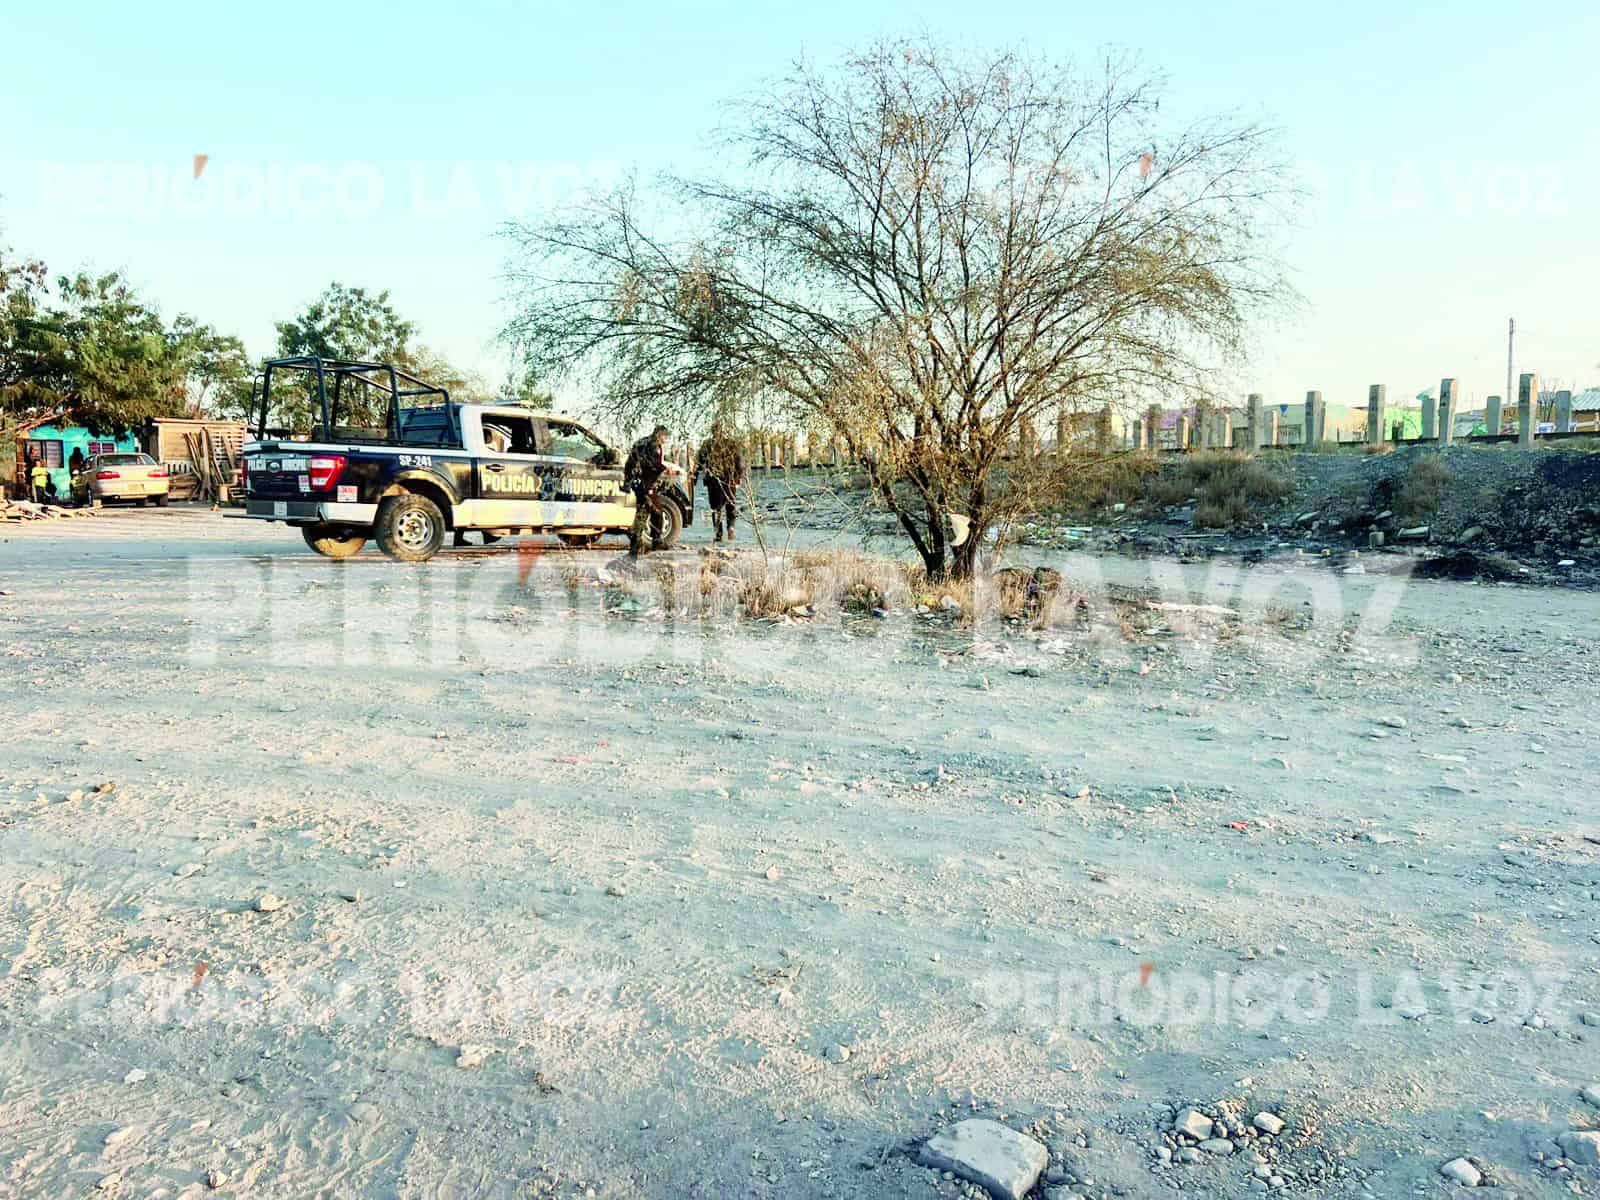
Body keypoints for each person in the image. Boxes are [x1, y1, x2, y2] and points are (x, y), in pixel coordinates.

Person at [624, 425, 670, 557]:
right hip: (646, 483)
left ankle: (649, 540)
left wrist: (628, 481)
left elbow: (629, 464)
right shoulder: (653, 445)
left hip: (637, 482)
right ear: (659, 435)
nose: (666, 439)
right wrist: (665, 469)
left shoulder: (641, 442)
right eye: (665, 436)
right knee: (650, 511)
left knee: (650, 511)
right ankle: (642, 542)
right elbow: (651, 464)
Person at [695, 423, 746, 542]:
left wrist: (695, 478)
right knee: (730, 505)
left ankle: (718, 534)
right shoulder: (732, 444)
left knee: (716, 508)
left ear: (712, 432)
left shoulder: (707, 445)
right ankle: (731, 527)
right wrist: (739, 477)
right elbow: (740, 462)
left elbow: (700, 463)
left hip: (713, 481)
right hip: (730, 480)